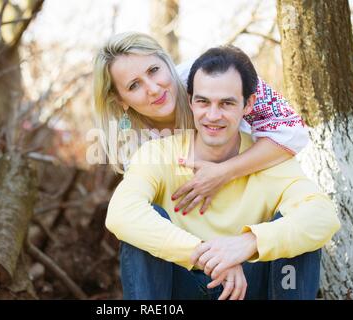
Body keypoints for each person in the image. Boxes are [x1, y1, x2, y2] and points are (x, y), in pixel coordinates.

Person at [105, 45, 340, 300]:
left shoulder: (270, 158)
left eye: (226, 103)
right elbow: (121, 213)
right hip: (183, 283)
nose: (213, 115)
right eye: (203, 102)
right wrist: (206, 255)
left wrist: (250, 243)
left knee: (297, 236)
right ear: (190, 100)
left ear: (248, 104)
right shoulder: (153, 154)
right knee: (139, 234)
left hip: (251, 286)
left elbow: (323, 216)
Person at [93, 32, 308, 215]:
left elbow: (292, 130)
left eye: (153, 70)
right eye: (133, 86)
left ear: (166, 62)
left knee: (296, 214)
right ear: (120, 99)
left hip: (255, 203)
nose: (154, 89)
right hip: (192, 226)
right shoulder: (128, 139)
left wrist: (225, 171)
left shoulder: (210, 74)